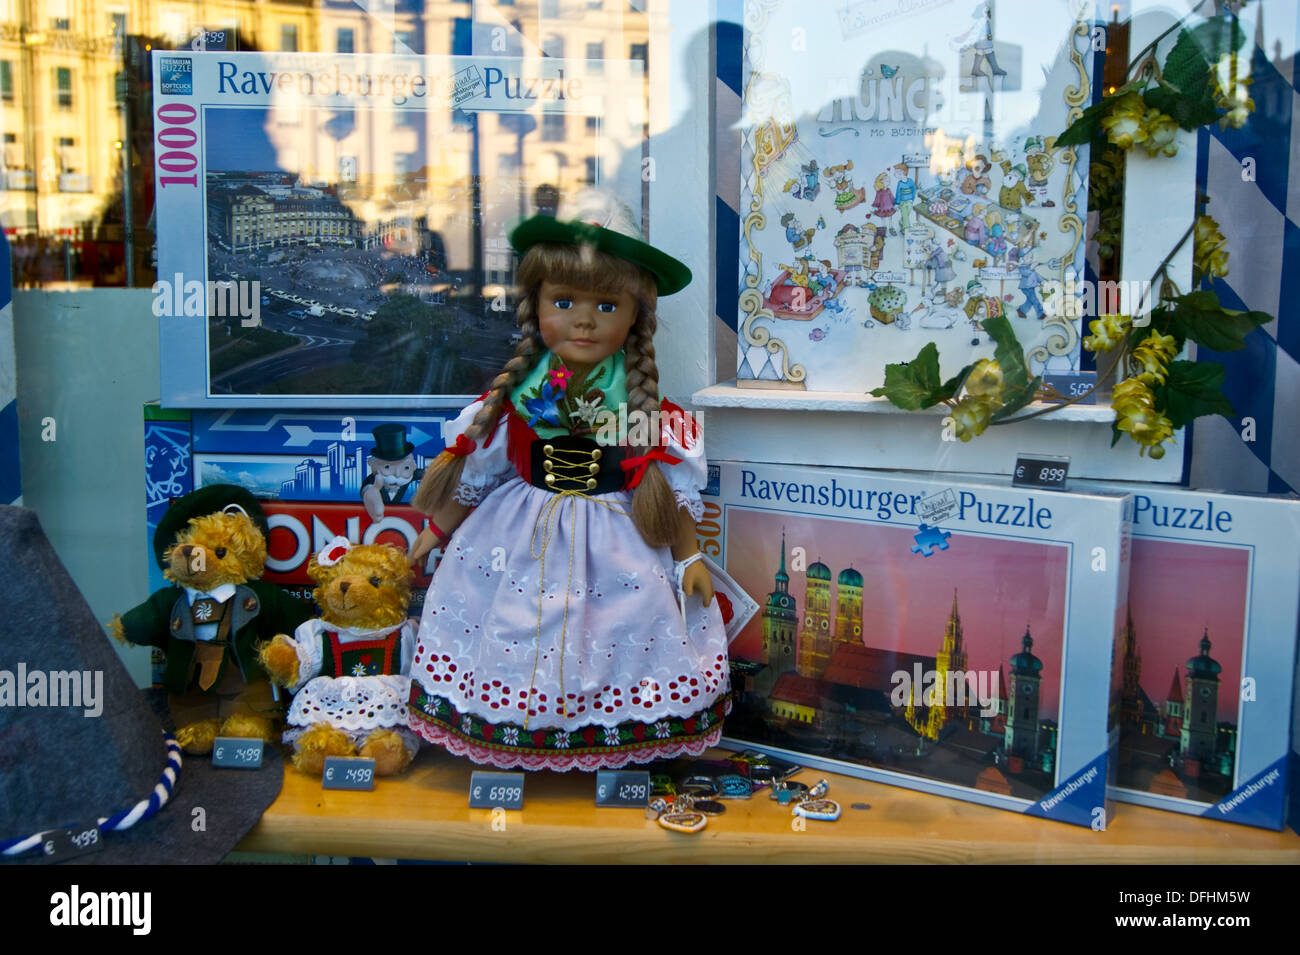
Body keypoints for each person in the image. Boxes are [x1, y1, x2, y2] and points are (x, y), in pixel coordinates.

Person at [405, 190, 728, 771]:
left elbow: (665, 488)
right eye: (564, 301)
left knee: (616, 635)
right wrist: (439, 527)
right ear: (536, 306)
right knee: (511, 629)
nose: (584, 318)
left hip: (616, 541)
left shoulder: (645, 411)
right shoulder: (517, 401)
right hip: (516, 536)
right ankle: (513, 733)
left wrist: (688, 560)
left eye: (607, 306)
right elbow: (479, 472)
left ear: (635, 317)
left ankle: (610, 741)